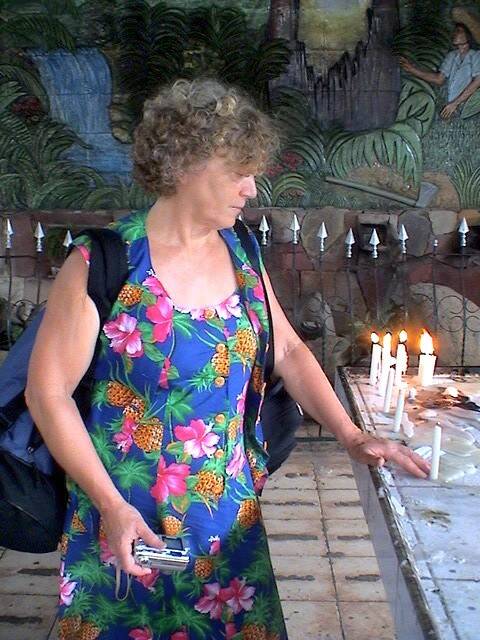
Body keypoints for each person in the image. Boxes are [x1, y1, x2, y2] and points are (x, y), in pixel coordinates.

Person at [25, 78, 430, 640]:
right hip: (124, 518)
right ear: (185, 165)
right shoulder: (105, 261)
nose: (251, 187)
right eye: (239, 170)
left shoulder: (241, 248)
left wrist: (351, 434)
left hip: (226, 521)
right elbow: (47, 394)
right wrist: (111, 506)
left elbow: (287, 348)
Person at [399, 22, 480, 120]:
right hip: (450, 107)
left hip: (468, 108)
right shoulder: (452, 55)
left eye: (459, 31)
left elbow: (477, 81)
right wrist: (411, 69)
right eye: (454, 31)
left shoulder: (476, 55)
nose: (454, 33)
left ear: (468, 35)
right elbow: (439, 79)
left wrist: (455, 103)